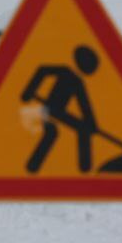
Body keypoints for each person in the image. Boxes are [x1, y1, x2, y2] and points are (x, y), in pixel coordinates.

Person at [21, 45, 100, 173]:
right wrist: (29, 91)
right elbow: (42, 70)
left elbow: (84, 106)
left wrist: (92, 124)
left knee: (83, 129)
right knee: (52, 132)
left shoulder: (78, 82)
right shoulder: (64, 71)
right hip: (46, 108)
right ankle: (32, 167)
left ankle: (85, 169)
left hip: (58, 111)